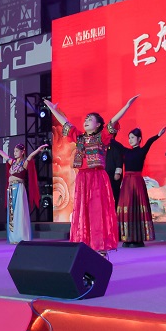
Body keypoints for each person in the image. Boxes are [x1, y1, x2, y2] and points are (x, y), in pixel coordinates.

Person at [44, 96, 138, 257]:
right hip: (82, 178)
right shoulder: (79, 137)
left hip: (97, 177)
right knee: (83, 211)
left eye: (90, 119)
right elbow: (65, 123)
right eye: (86, 119)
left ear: (98, 124)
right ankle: (86, 245)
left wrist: (127, 106)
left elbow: (114, 121)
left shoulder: (103, 137)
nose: (86, 121)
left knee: (97, 211)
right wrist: (53, 110)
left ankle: (101, 247)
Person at [113, 126, 166, 247]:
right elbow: (115, 144)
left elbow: (150, 142)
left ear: (139, 139)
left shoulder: (141, 151)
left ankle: (138, 238)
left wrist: (158, 135)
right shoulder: (126, 151)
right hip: (127, 183)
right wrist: (107, 134)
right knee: (127, 208)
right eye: (129, 138)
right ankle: (127, 237)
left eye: (133, 137)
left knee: (137, 210)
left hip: (137, 182)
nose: (130, 140)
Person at [0, 141, 47, 244]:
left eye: (17, 151)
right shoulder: (12, 162)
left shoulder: (24, 163)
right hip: (11, 189)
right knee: (11, 213)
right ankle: (13, 236)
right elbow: (4, 155)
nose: (15, 153)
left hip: (19, 188)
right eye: (14, 151)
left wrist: (38, 149)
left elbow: (30, 156)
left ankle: (21, 235)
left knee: (19, 212)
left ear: (22, 152)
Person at [105, 135, 125, 206]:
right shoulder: (102, 145)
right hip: (104, 174)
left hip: (113, 174)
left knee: (114, 193)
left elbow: (119, 160)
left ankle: (116, 210)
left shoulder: (116, 145)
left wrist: (118, 173)